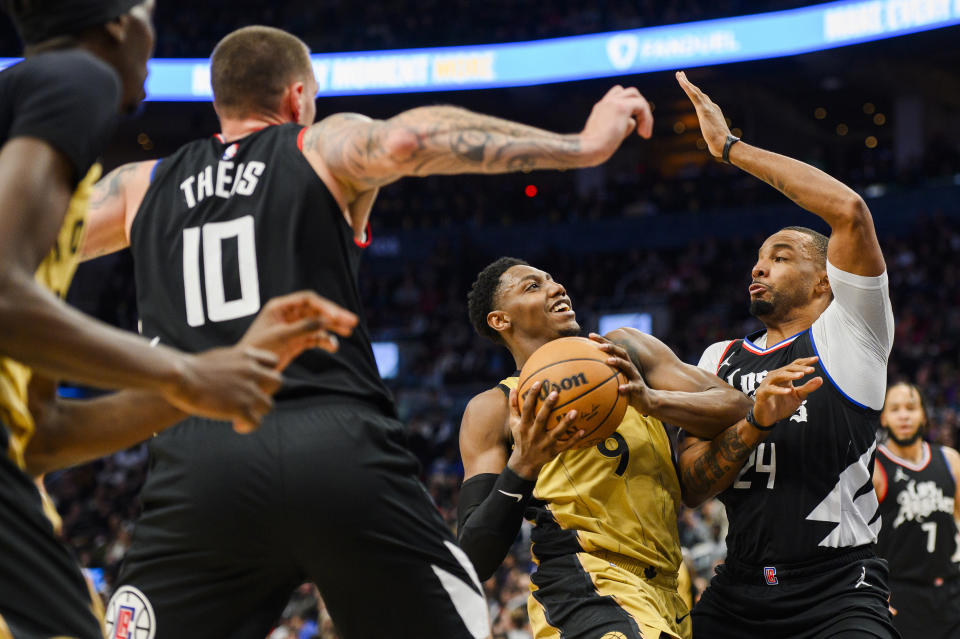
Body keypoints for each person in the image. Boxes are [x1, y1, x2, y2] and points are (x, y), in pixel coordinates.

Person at [79, 24, 654, 639]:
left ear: (219, 99)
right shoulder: (315, 146)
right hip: (330, 440)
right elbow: (409, 137)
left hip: (195, 461)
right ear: (298, 97)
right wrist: (580, 145)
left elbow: (26, 239)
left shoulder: (139, 186)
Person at [0, 4, 357, 638]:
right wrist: (187, 370)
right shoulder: (73, 79)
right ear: (116, 24)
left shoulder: (37, 127)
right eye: (148, 12)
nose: (153, 34)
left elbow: (45, 436)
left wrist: (205, 384)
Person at [457, 257, 815, 639]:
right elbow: (473, 558)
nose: (556, 287)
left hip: (667, 587)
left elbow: (738, 407)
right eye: (532, 286)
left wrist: (651, 401)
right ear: (500, 320)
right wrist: (522, 465)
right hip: (584, 586)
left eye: (552, 280)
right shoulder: (494, 409)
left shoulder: (624, 350)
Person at [674, 70, 898, 638]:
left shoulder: (852, 332)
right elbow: (692, 486)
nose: (758, 267)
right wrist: (752, 424)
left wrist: (730, 149)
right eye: (756, 258)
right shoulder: (716, 357)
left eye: (779, 256)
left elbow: (848, 209)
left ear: (826, 280)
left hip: (839, 588)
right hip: (740, 587)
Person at [872, 382, 960, 639]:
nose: (903, 416)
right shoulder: (874, 467)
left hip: (951, 592)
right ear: (884, 418)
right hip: (898, 596)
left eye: (911, 408)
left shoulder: (950, 459)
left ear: (923, 415)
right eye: (895, 409)